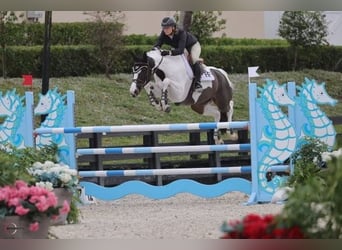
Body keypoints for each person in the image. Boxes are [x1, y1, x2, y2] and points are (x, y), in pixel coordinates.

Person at [154, 16, 203, 91]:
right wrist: (154, 50)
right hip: (182, 47)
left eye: (167, 28)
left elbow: (180, 50)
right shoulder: (163, 33)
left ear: (173, 27)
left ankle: (198, 83)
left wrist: (168, 52)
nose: (165, 30)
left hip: (193, 46)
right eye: (164, 28)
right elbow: (158, 44)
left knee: (194, 59)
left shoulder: (181, 33)